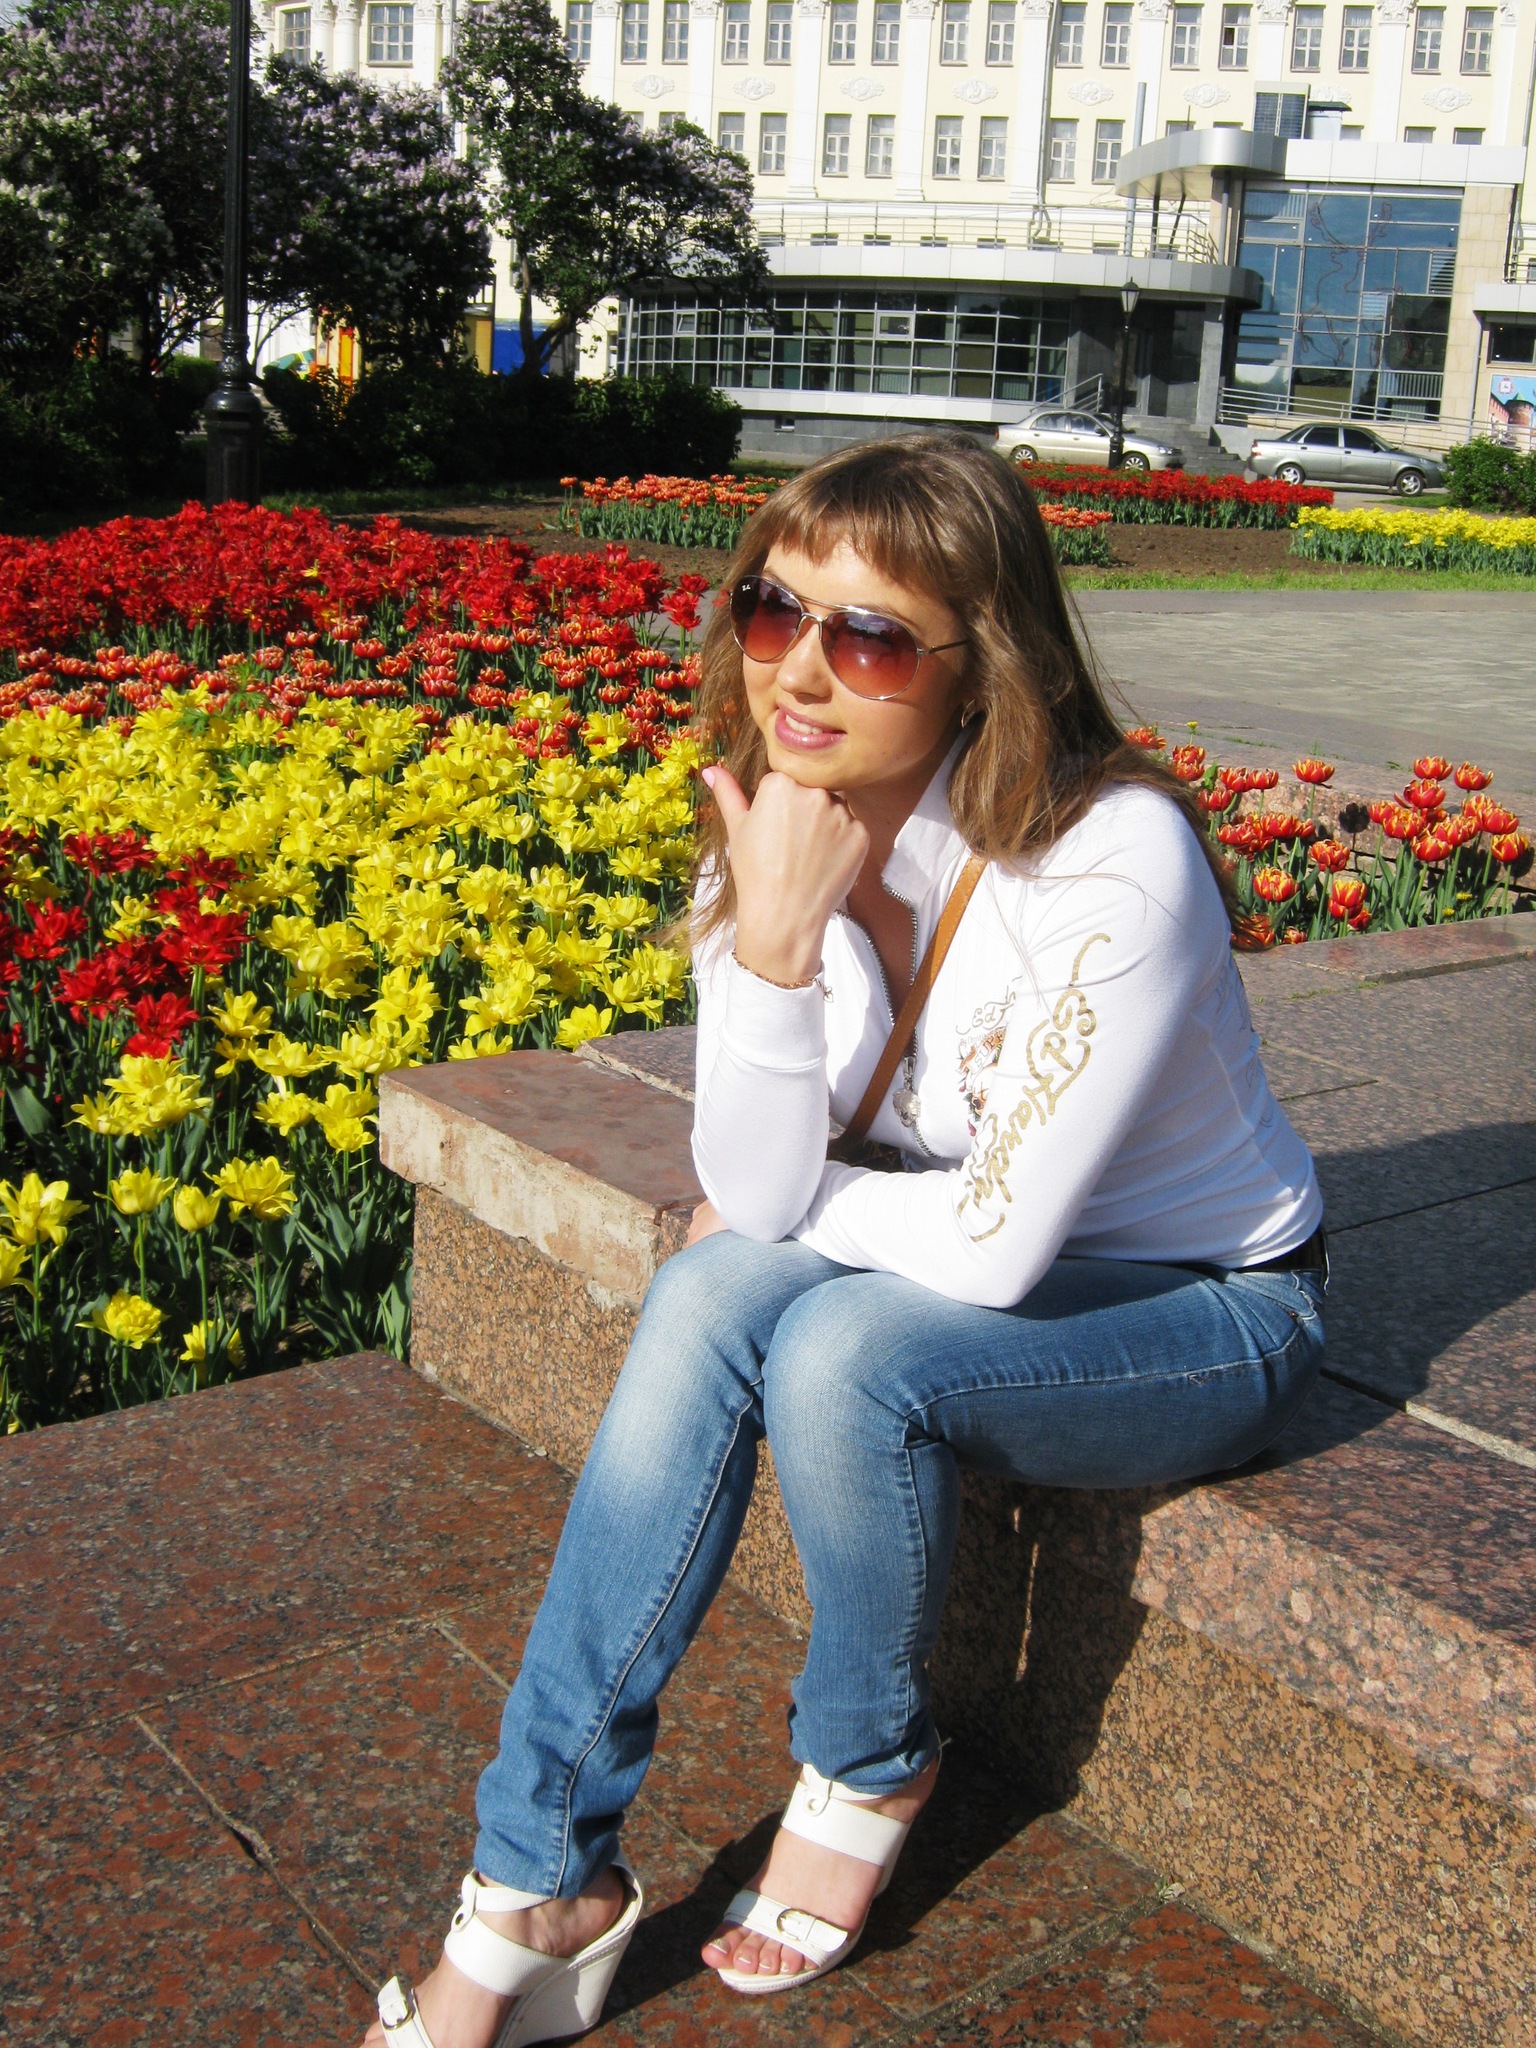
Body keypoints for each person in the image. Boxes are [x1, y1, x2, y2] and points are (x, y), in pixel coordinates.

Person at [365, 434, 1326, 2048]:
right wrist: (777, 939)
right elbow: (748, 1186)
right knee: (711, 1291)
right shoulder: (778, 830)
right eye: (772, 610)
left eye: (870, 637)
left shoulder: (1113, 858)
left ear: (983, 663)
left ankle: (868, 1760)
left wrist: (789, 1209)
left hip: (1213, 1309)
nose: (800, 670)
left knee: (838, 1351)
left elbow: (988, 1249)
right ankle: (534, 1876)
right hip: (959, 1238)